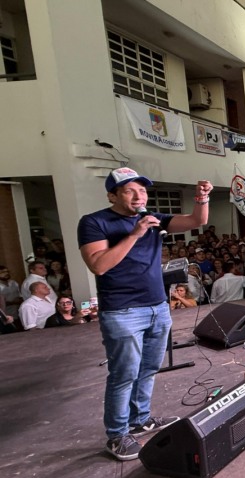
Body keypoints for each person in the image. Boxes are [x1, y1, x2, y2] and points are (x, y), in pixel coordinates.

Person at [77, 168, 211, 460]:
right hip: (123, 311)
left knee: (149, 369)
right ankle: (116, 435)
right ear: (112, 195)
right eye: (129, 190)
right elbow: (99, 265)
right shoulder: (94, 222)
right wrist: (136, 233)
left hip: (157, 306)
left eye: (143, 190)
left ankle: (140, 420)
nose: (139, 196)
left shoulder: (154, 217)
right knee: (123, 374)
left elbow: (197, 220)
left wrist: (201, 199)